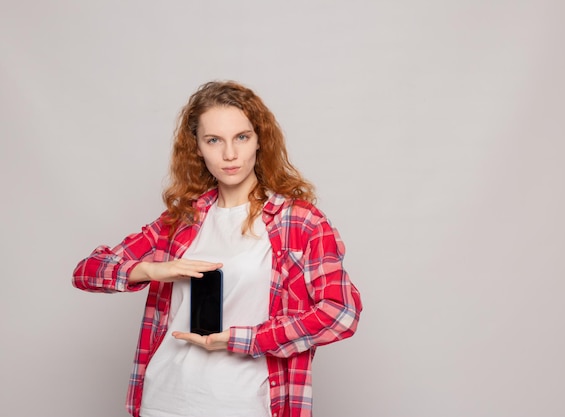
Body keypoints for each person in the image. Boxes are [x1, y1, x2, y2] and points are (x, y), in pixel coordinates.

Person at [72, 80, 362, 417]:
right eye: (214, 140)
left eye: (241, 137)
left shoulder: (298, 222)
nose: (229, 154)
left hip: (241, 403)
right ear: (196, 147)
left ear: (259, 140)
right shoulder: (182, 219)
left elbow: (340, 313)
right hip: (163, 400)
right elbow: (86, 271)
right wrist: (153, 270)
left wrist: (246, 339)